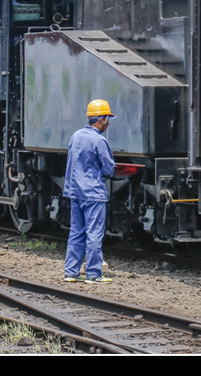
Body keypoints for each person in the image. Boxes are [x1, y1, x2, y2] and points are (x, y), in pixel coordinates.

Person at [63, 99, 116, 283]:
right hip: (93, 193)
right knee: (94, 234)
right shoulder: (99, 140)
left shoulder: (75, 136)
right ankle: (93, 274)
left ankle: (71, 273)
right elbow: (109, 169)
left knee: (76, 232)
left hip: (75, 192)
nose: (108, 123)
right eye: (107, 119)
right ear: (100, 119)